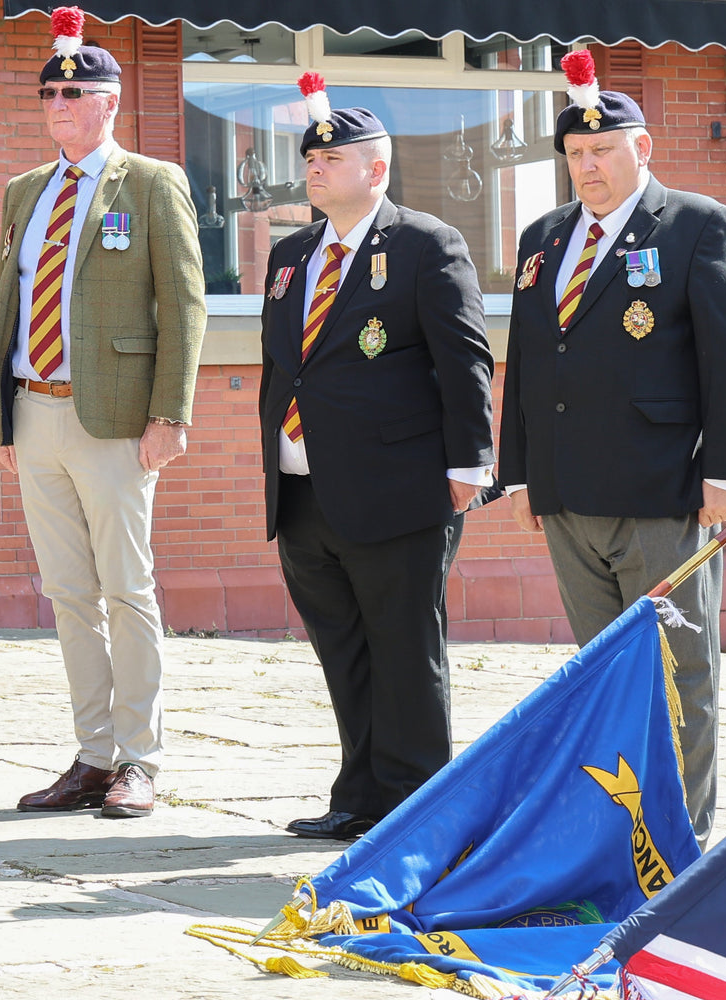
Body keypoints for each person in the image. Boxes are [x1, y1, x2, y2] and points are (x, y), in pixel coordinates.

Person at [496, 51, 726, 848]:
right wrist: (519, 475)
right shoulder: (545, 238)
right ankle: (620, 838)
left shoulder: (694, 224)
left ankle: (682, 845)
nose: (589, 166)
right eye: (576, 153)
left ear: (641, 148)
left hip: (663, 491)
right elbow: (527, 362)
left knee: (678, 673)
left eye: (604, 150)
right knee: (601, 675)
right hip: (568, 493)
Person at [259, 73, 495, 841]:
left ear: (377, 168)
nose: (316, 167)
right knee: (344, 651)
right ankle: (359, 797)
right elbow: (283, 369)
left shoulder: (426, 244)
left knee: (404, 651)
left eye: (333, 157)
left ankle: (417, 809)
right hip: (304, 489)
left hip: (398, 488)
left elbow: (465, 359)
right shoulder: (291, 254)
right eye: (311, 158)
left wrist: (471, 463)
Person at [0, 8, 205, 819]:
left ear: (110, 102)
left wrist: (170, 413)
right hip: (35, 411)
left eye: (75, 94)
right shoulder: (24, 191)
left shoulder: (149, 182)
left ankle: (140, 760)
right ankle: (91, 756)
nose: (59, 105)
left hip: (114, 418)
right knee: (68, 593)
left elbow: (183, 304)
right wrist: (1, 422)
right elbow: (8, 310)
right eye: (49, 93)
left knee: (126, 589)